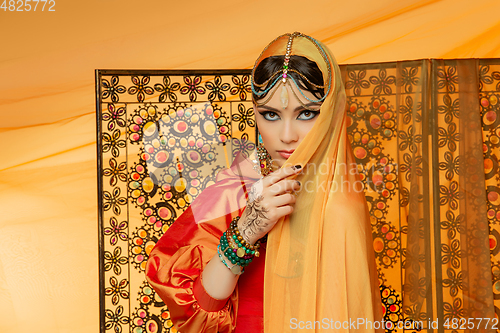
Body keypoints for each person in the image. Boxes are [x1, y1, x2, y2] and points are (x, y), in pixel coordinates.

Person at [146, 32, 383, 333]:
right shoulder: (234, 185)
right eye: (270, 114)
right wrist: (247, 230)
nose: (287, 135)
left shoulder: (342, 197)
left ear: (332, 114)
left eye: (306, 113)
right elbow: (195, 313)